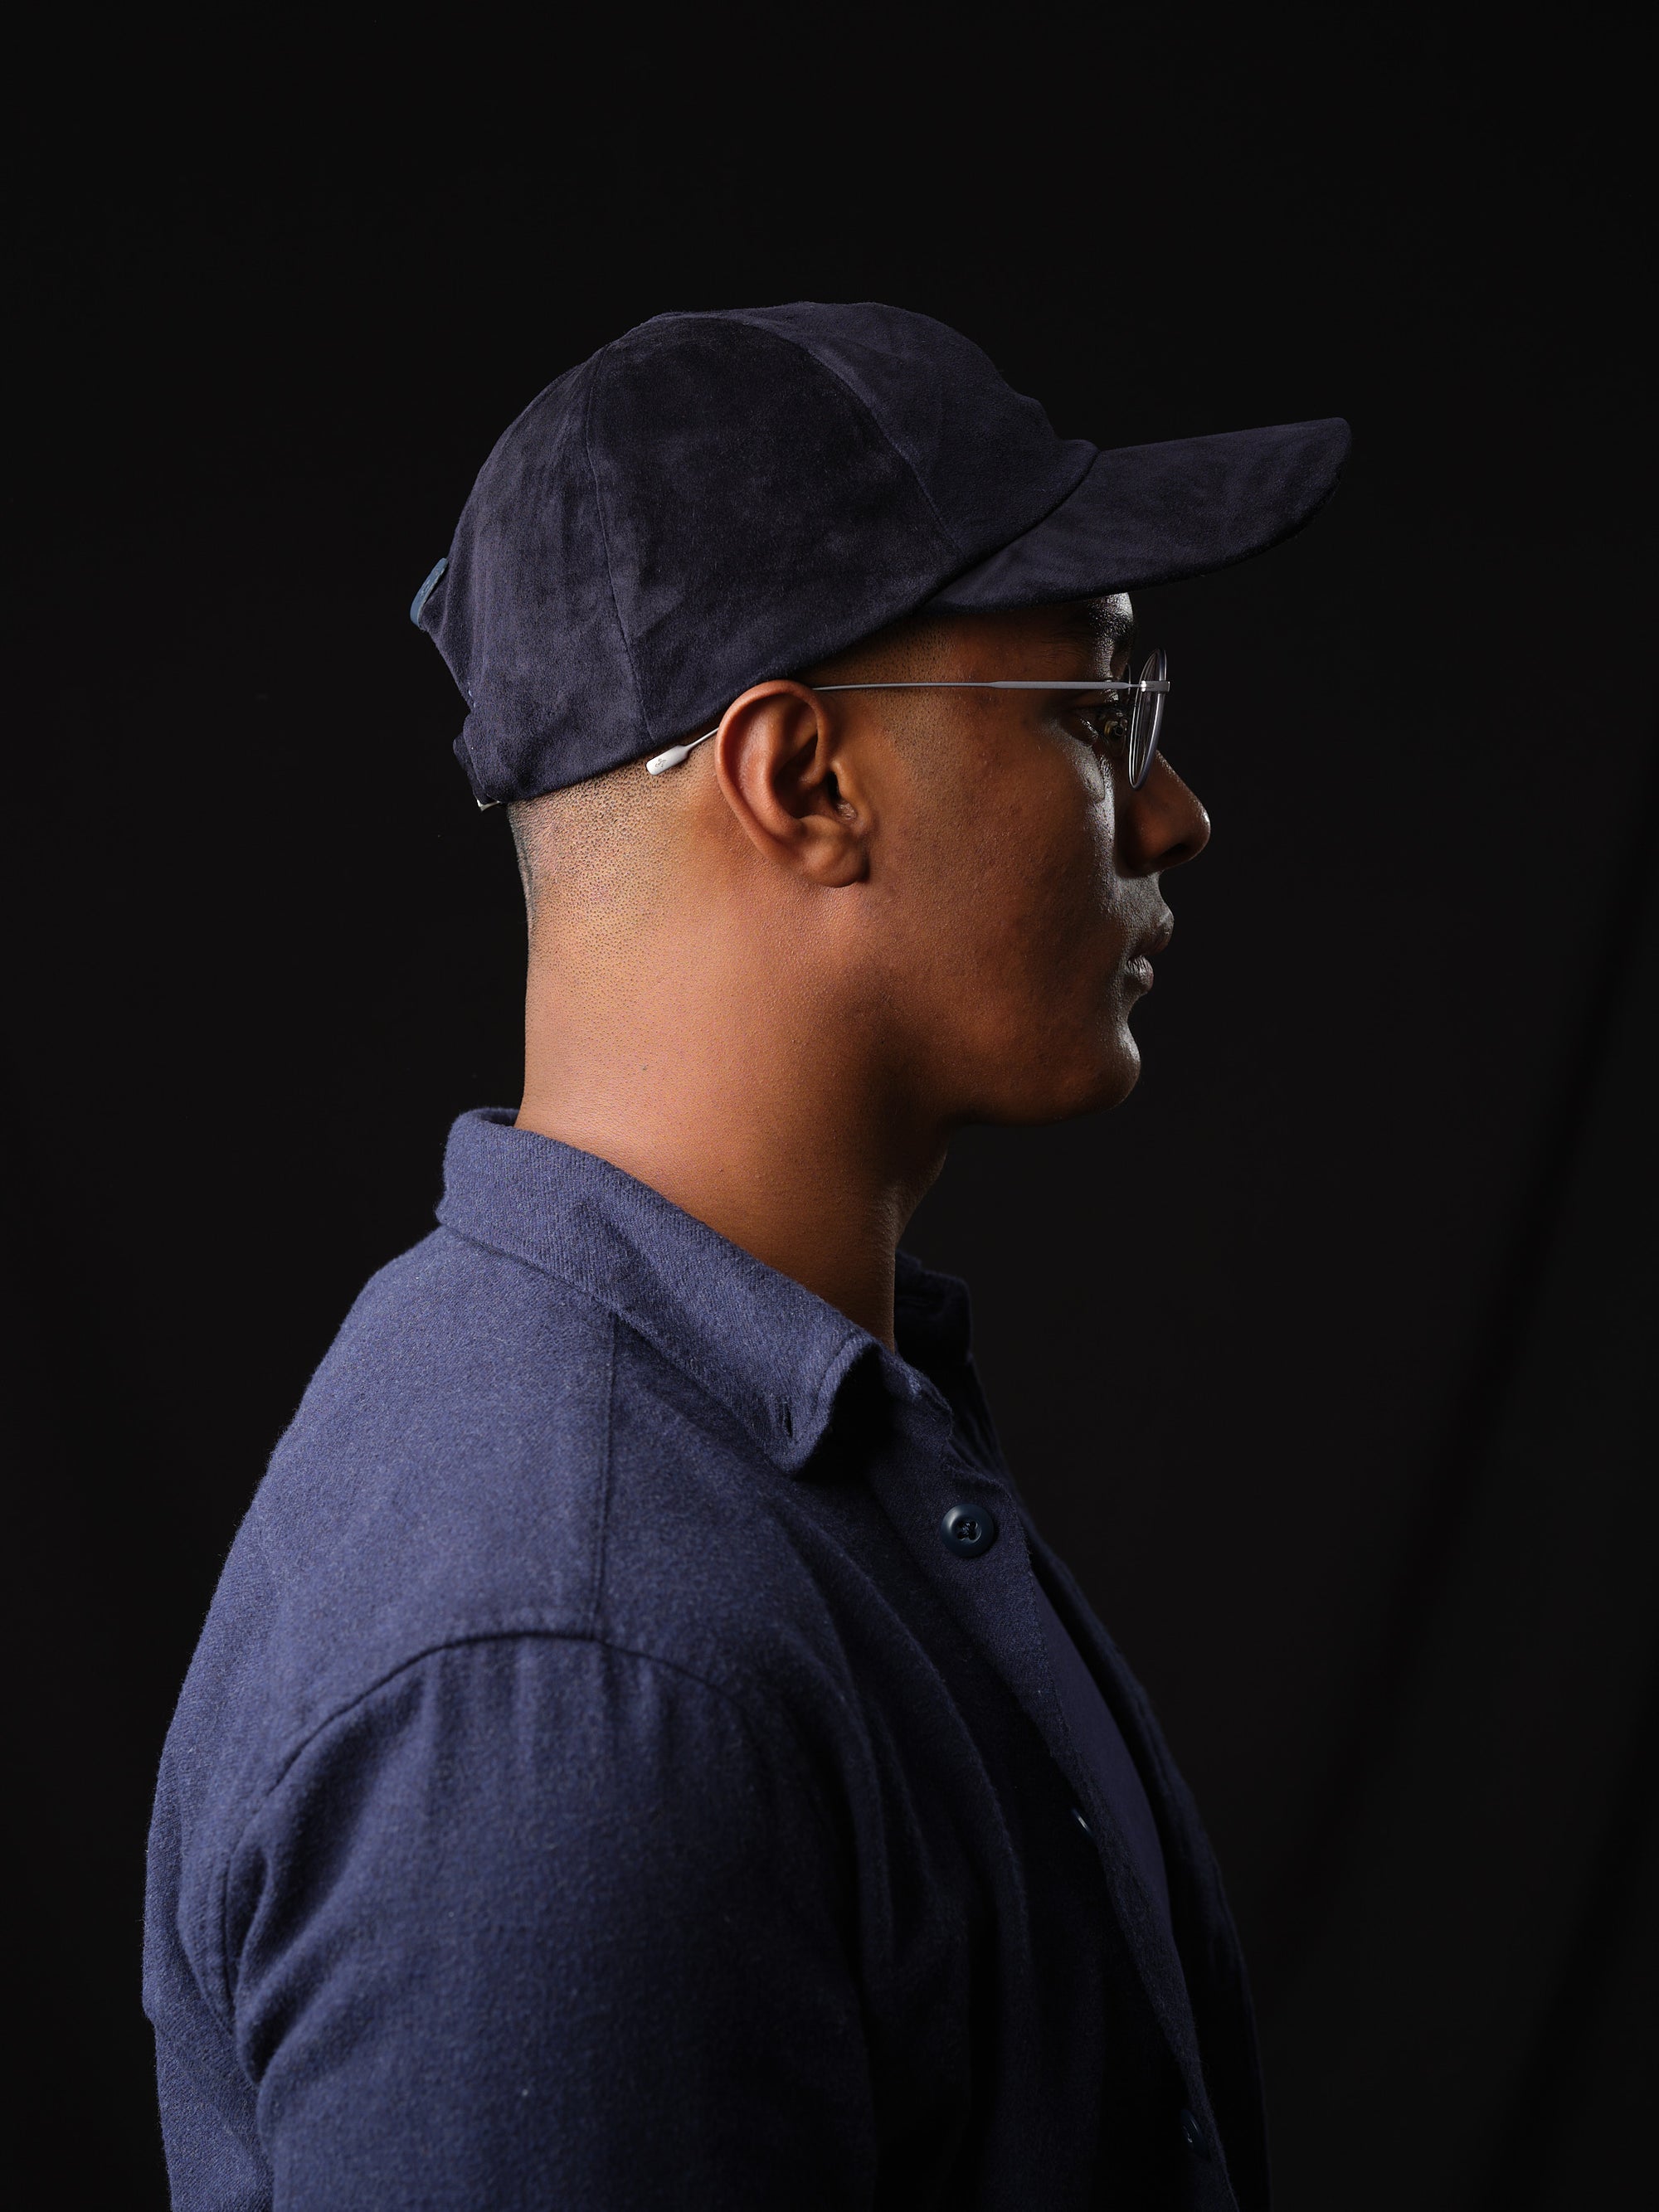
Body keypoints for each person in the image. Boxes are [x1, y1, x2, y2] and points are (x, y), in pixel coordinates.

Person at [144, 302, 1349, 2210]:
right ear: (801, 778)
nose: (1177, 812)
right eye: (1099, 712)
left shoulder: (773, 1446)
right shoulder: (567, 1667)